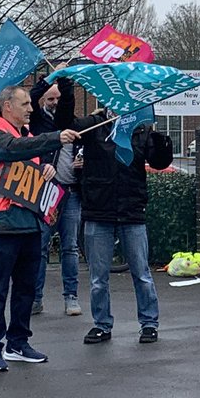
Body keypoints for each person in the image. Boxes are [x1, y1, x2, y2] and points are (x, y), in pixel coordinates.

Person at [0, 85, 80, 372]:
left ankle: (18, 343)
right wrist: (55, 138)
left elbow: (29, 160)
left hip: (30, 222)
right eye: (24, 104)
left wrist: (46, 170)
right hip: (1, 222)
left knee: (26, 290)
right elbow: (13, 151)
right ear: (7, 106)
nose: (30, 109)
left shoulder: (26, 135)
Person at [72, 107, 172, 345]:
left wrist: (160, 140)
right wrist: (65, 88)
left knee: (142, 273)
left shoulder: (140, 131)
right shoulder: (94, 126)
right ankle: (101, 324)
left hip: (131, 212)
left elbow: (159, 162)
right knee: (98, 277)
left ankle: (149, 324)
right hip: (99, 210)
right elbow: (69, 124)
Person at [28, 73, 80, 317]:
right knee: (40, 247)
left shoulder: (74, 122)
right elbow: (30, 97)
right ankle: (35, 298)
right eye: (50, 99)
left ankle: (71, 297)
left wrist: (65, 83)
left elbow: (68, 103)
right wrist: (49, 80)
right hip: (46, 192)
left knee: (70, 247)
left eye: (58, 99)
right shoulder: (38, 122)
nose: (55, 103)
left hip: (70, 193)